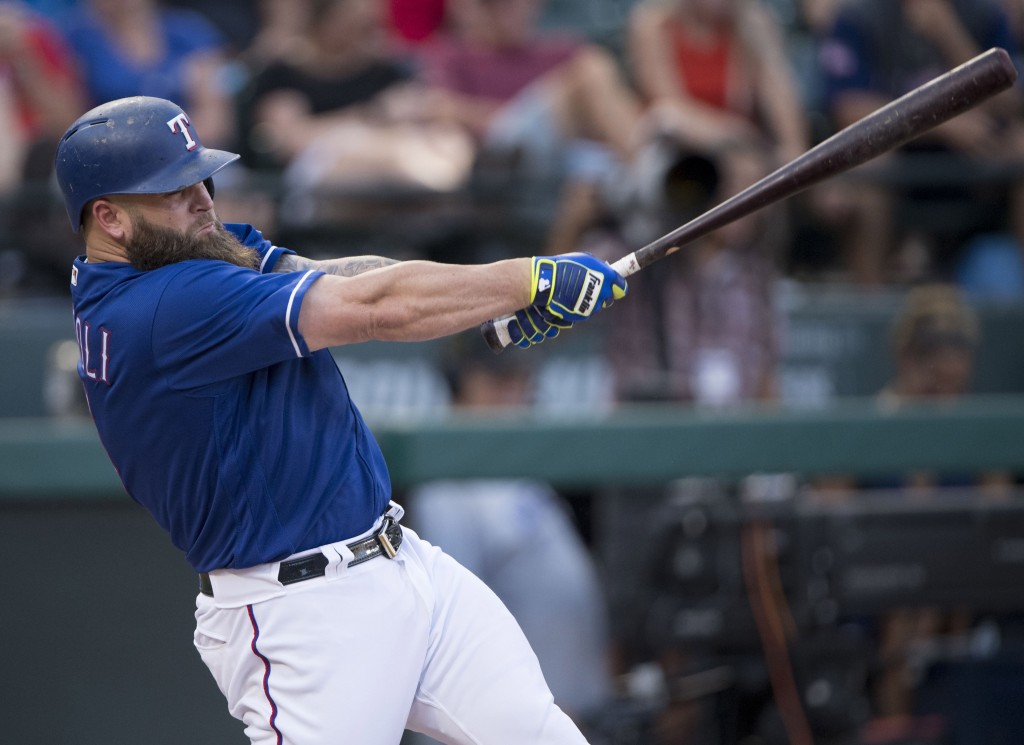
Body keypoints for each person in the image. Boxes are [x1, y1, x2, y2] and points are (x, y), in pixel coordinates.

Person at [55, 94, 627, 744]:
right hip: (303, 612)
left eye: (201, 179)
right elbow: (377, 308)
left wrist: (487, 299)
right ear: (109, 218)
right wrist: (529, 280)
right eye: (172, 191)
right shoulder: (161, 306)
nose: (204, 201)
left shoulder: (187, 258)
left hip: (402, 563)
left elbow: (341, 276)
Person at [406, 344, 615, 738]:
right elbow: (453, 636)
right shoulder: (448, 491)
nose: (512, 395)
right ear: (459, 386)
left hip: (566, 715)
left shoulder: (519, 469)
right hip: (510, 726)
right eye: (497, 382)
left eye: (519, 381)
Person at [817, 0, 1024, 286]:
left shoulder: (985, 12)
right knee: (872, 165)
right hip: (899, 157)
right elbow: (847, 108)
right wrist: (941, 122)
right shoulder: (859, 15)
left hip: (977, 158)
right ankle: (870, 305)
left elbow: (1010, 100)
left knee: (1021, 146)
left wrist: (947, 33)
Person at [58, 0, 236, 149]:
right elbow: (70, 124)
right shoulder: (74, 39)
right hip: (109, 157)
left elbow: (216, 123)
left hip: (191, 153)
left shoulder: (190, 32)